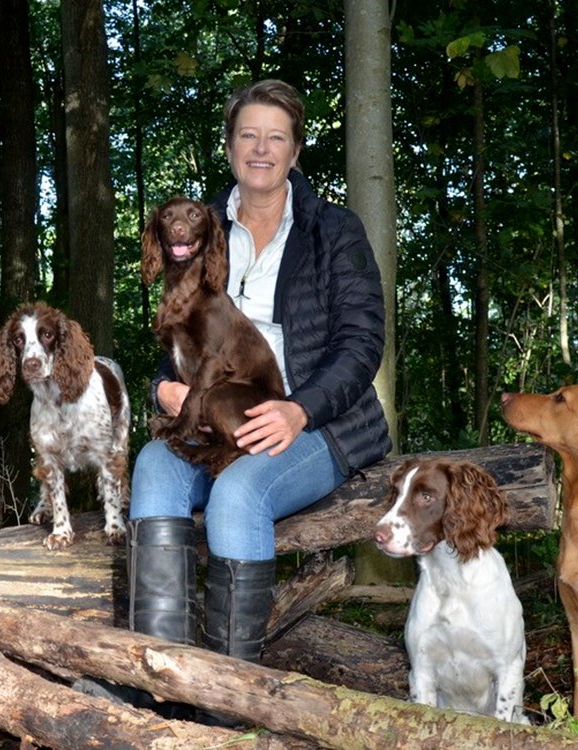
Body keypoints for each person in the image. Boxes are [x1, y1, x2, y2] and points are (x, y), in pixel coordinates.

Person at [128, 79, 392, 665]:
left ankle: (230, 699)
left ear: (296, 152)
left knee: (239, 493)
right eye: (248, 135)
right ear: (229, 147)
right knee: (152, 465)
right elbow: (175, 341)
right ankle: (161, 678)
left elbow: (361, 341)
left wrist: (301, 408)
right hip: (212, 416)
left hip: (315, 423)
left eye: (276, 137)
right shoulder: (196, 228)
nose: (261, 148)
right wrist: (161, 388)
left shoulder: (335, 231)